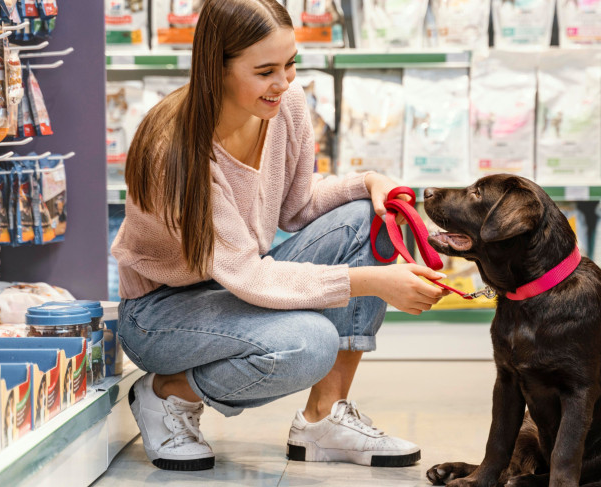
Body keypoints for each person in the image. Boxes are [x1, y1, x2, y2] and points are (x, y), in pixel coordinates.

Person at [111, 0, 449, 472]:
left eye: (291, 64)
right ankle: (167, 393)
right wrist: (374, 282)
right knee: (308, 343)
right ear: (216, 67)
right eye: (266, 70)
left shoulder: (283, 104)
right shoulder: (176, 152)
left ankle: (323, 420)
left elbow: (295, 207)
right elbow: (248, 274)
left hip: (235, 282)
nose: (285, 82)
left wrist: (369, 183)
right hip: (161, 315)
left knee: (369, 218)